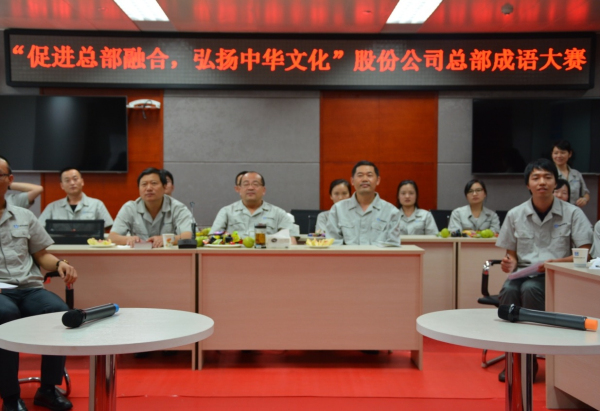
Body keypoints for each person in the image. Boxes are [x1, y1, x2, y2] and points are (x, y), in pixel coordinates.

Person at [496, 158, 592, 382]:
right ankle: (513, 360)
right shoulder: (515, 214)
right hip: (522, 273)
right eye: (536, 177)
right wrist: (509, 262)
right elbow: (511, 254)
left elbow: (585, 253)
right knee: (508, 290)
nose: (542, 182)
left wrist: (554, 263)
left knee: (531, 289)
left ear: (555, 183)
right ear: (527, 184)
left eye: (548, 177)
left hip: (556, 276)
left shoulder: (573, 213)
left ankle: (530, 361)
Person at [0, 156, 77, 411]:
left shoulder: (24, 215)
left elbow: (41, 254)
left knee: (58, 312)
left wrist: (59, 263)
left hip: (29, 288)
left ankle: (47, 389)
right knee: (5, 316)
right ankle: (11, 397)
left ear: (9, 180)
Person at [109, 168, 193, 248]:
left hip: (169, 256)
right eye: (144, 184)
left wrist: (166, 239)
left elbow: (187, 236)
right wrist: (128, 239)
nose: (149, 188)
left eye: (154, 183)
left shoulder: (178, 208)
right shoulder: (129, 208)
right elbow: (112, 237)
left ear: (164, 187)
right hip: (138, 256)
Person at [326, 160, 401, 246]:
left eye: (369, 175)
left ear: (378, 180)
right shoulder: (337, 209)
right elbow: (333, 243)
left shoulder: (391, 212)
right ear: (352, 181)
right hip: (347, 255)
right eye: (360, 175)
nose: (365, 179)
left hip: (378, 255)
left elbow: (392, 245)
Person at [211, 171, 296, 242]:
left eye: (255, 184)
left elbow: (291, 241)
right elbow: (213, 239)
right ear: (239, 189)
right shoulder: (226, 212)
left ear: (263, 190)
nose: (250, 188)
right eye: (246, 184)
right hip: (234, 255)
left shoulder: (279, 213)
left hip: (266, 255)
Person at [38, 168, 113, 228]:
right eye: (67, 180)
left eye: (75, 179)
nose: (72, 183)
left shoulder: (97, 205)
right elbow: (40, 227)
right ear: (62, 186)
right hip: (60, 243)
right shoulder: (52, 207)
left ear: (82, 182)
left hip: (88, 242)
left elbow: (107, 227)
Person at [551, 140, 590, 207]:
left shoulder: (576, 174)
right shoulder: (549, 174)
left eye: (562, 153)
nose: (559, 156)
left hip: (573, 210)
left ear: (570, 154)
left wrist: (584, 199)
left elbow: (586, 193)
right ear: (552, 154)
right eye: (556, 153)